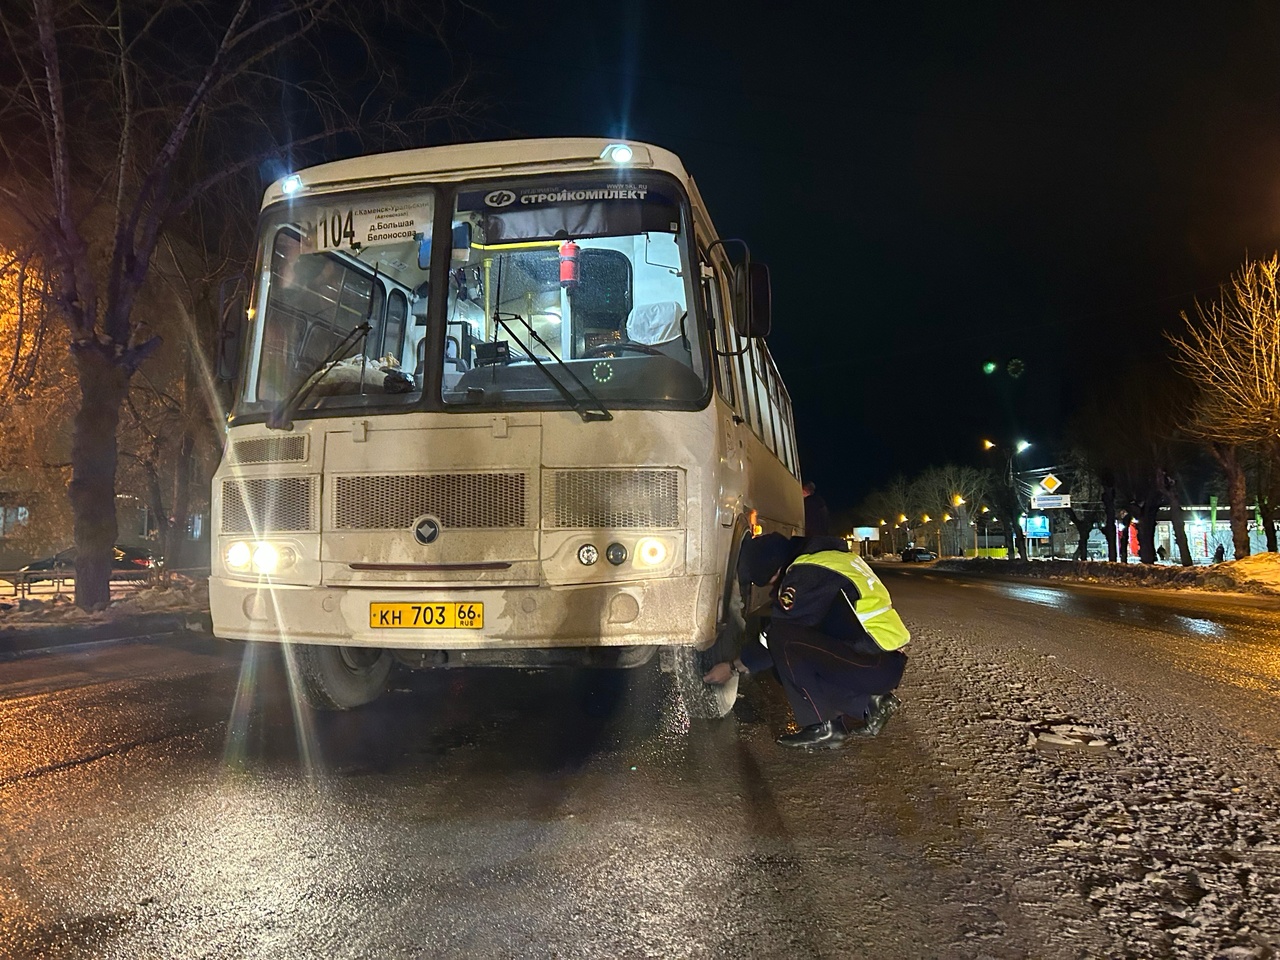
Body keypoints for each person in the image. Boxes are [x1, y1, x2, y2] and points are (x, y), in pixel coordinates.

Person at [703, 531, 910, 750]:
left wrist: (733, 667)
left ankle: (823, 727)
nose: (773, 588)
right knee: (788, 664)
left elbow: (777, 637)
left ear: (774, 569)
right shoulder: (829, 559)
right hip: (879, 659)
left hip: (869, 662)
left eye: (770, 581)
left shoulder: (805, 573)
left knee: (783, 641)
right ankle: (871, 703)